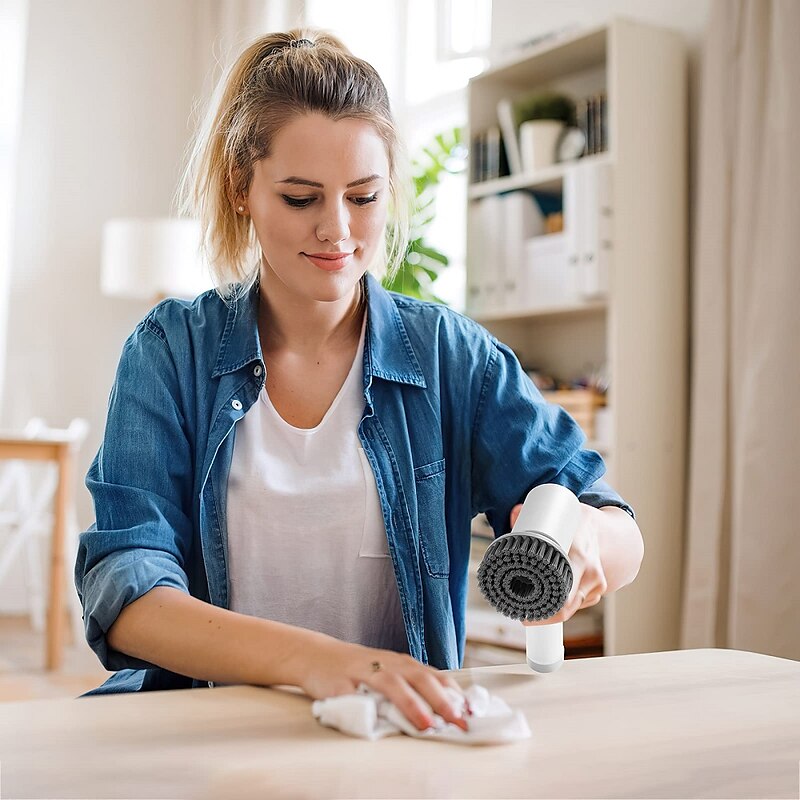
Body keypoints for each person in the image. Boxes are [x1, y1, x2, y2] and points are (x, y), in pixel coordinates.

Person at [75, 29, 643, 733]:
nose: (337, 230)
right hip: (203, 734)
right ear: (241, 188)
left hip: (392, 744)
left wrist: (590, 538)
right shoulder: (169, 354)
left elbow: (617, 525)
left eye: (364, 197)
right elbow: (124, 589)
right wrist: (319, 662)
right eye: (301, 197)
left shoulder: (448, 357)